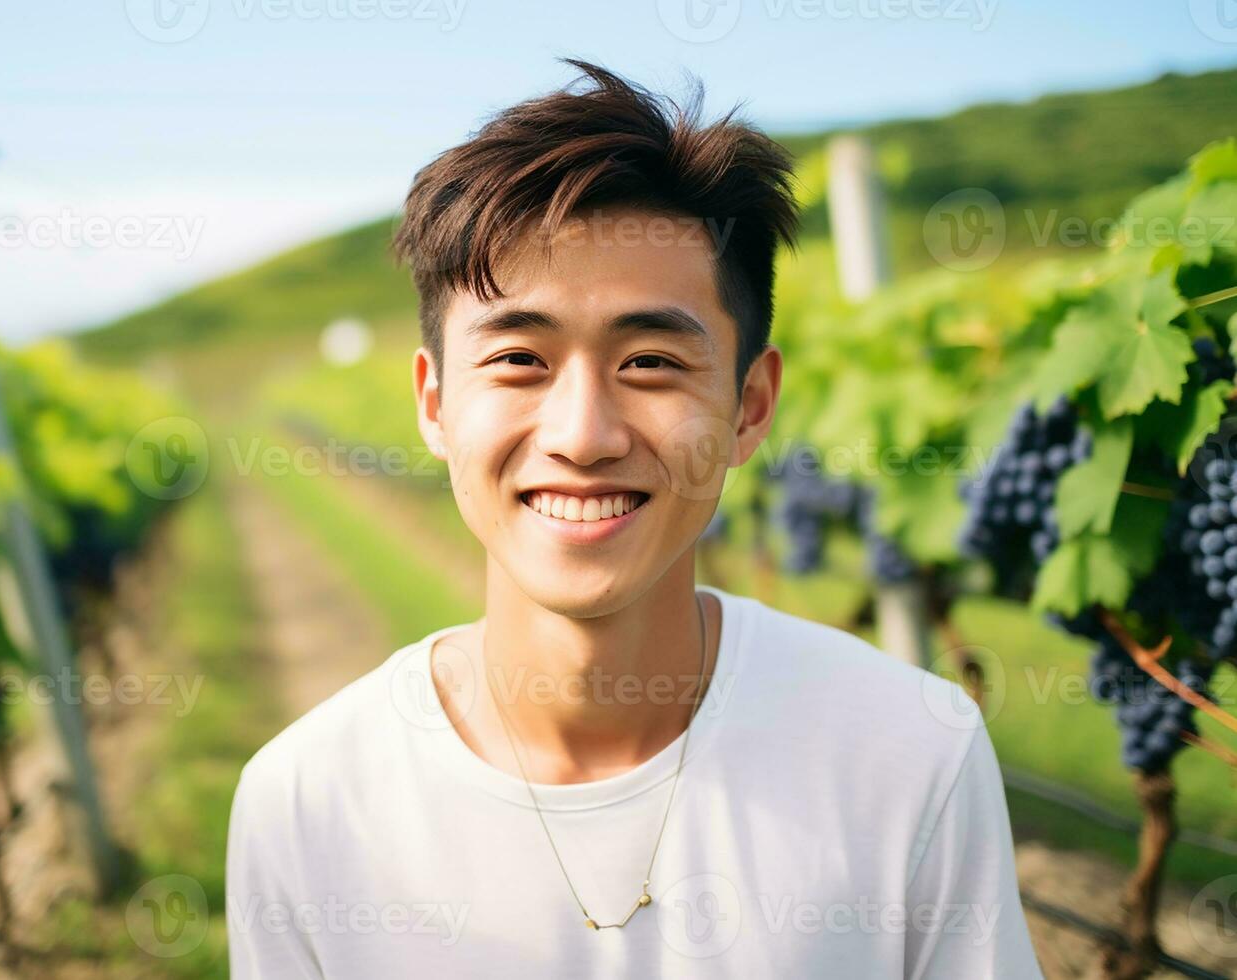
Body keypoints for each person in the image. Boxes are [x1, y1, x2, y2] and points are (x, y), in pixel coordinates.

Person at [226, 59, 1043, 978]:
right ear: (434, 403)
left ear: (749, 406)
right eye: (519, 361)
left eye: (651, 362)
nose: (583, 435)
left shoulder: (910, 755)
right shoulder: (305, 804)